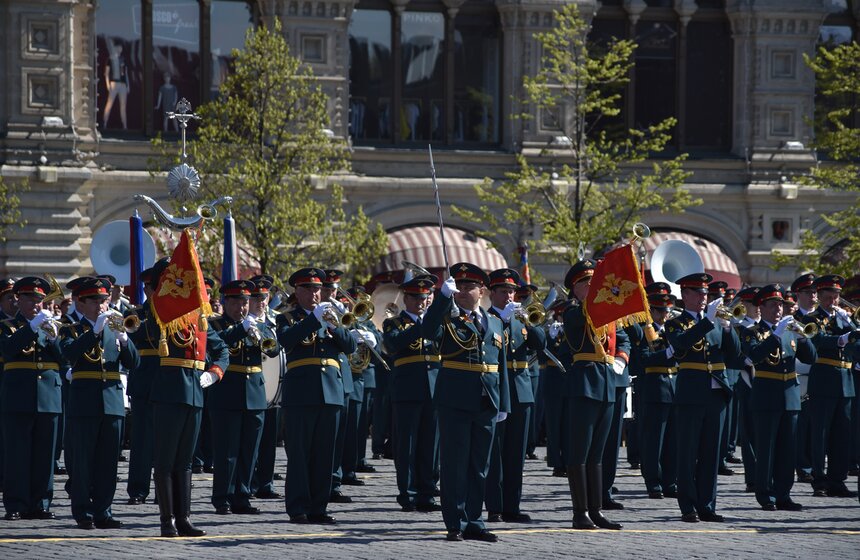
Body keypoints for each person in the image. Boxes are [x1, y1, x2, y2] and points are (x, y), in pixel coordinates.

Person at [421, 262, 510, 543]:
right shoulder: (447, 317)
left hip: (487, 400)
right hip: (455, 399)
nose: (461, 291)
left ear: (481, 291)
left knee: (479, 466)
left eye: (468, 286)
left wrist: (503, 403)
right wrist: (441, 298)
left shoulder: (494, 322)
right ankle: (455, 522)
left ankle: (475, 520)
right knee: (455, 465)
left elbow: (501, 365)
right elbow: (428, 331)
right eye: (458, 286)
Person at [144, 258, 229, 537]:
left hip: (195, 392)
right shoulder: (158, 310)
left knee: (186, 461)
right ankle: (167, 520)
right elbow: (152, 328)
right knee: (165, 459)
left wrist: (214, 373)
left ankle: (184, 519)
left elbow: (221, 349)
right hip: (169, 392)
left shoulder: (197, 316)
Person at [277, 268, 356, 524]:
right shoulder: (287, 318)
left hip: (331, 392)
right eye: (308, 288)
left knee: (325, 454)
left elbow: (350, 346)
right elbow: (286, 341)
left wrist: (333, 326)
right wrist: (313, 320)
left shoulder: (332, 316)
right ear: (297, 291)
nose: (314, 293)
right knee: (299, 454)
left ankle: (318, 507)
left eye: (317, 289)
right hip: (301, 393)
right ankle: (298, 507)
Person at [60, 276, 139, 529]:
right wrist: (94, 332)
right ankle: (83, 511)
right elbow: (68, 354)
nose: (101, 305)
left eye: (103, 300)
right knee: (83, 462)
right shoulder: (70, 329)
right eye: (94, 301)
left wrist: (124, 340)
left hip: (112, 402)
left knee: (108, 462)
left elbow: (134, 363)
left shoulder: (114, 327)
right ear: (81, 303)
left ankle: (104, 510)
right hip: (85, 402)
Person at [665, 272, 740, 523]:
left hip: (716, 392)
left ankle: (707, 505)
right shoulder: (675, 323)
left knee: (711, 452)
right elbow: (681, 345)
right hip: (691, 393)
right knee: (688, 452)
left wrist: (728, 329)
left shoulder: (716, 321)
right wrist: (707, 321)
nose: (703, 298)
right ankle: (688, 506)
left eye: (705, 293)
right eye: (698, 293)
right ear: (685, 295)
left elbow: (734, 355)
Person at [562, 259, 629, 531]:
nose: (592, 287)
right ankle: (580, 513)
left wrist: (621, 358)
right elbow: (583, 316)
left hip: (607, 383)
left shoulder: (607, 312)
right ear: (575, 288)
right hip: (585, 383)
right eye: (586, 283)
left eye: (594, 282)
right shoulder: (571, 311)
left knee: (597, 454)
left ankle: (596, 509)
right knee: (580, 451)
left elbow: (622, 337)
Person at [740, 284, 815, 511]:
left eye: (780, 305)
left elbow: (811, 358)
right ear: (761, 307)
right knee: (767, 449)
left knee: (788, 449)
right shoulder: (752, 332)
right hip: (766, 396)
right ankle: (766, 494)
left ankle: (784, 494)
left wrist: (803, 337)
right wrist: (775, 335)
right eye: (773, 305)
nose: (778, 310)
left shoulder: (790, 330)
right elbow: (755, 355)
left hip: (790, 396)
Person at [208, 279, 280, 515]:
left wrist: (259, 330)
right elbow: (215, 345)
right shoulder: (215, 324)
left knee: (250, 450)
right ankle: (222, 498)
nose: (242, 308)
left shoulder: (257, 323)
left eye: (245, 303)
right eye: (237, 303)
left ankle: (243, 496)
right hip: (227, 392)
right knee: (227, 451)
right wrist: (241, 329)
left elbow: (273, 349)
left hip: (255, 392)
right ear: (226, 302)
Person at [485, 268, 545, 523]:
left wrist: (528, 322)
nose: (509, 296)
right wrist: (504, 320)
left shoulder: (521, 320)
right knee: (496, 453)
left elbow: (540, 343)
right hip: (498, 390)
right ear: (491, 294)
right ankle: (495, 507)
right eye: (503, 292)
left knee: (516, 453)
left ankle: (512, 506)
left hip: (521, 391)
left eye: (511, 292)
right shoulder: (487, 319)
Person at [0, 277, 63, 521]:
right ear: (18, 300)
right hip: (19, 396)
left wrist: (54, 337)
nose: (36, 304)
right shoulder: (6, 326)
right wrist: (32, 327)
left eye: (39, 300)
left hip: (48, 396)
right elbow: (8, 350)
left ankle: (40, 503)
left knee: (45, 455)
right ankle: (16, 503)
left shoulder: (50, 326)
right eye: (30, 299)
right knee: (17, 453)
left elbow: (65, 358)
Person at [383, 274, 441, 512]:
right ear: (406, 298)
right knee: (406, 445)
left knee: (431, 444)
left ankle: (428, 492)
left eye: (424, 297)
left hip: (434, 388)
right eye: (415, 297)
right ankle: (407, 494)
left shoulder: (436, 322)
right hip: (408, 389)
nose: (420, 302)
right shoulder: (394, 323)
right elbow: (394, 344)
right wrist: (422, 325)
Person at [806, 274, 859, 498]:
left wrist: (851, 325)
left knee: (842, 433)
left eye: (836, 297)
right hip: (824, 379)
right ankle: (819, 480)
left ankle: (837, 480)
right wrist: (844, 338)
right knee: (821, 433)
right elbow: (817, 341)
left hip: (846, 380)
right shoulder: (812, 318)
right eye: (828, 297)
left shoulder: (844, 318)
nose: (833, 301)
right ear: (818, 296)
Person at [637, 290, 679, 499]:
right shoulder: (645, 331)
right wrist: (668, 353)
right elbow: (644, 359)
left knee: (673, 441)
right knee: (654, 441)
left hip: (675, 388)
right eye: (661, 311)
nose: (665, 315)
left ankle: (670, 481)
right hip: (655, 389)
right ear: (651, 311)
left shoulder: (674, 329)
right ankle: (653, 482)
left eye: (667, 310)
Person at [126, 265, 160, 505]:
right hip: (144, 379)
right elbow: (132, 337)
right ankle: (138, 490)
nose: (154, 291)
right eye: (152, 287)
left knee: (168, 441)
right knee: (141, 440)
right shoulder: (136, 313)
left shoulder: (176, 312)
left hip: (169, 380)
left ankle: (165, 490)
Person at [248, 275, 283, 500]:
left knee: (269, 439)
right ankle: (250, 483)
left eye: (264, 297)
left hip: (273, 387)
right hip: (252, 386)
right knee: (252, 440)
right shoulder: (244, 321)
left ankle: (266, 483)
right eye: (256, 297)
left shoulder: (276, 321)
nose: (261, 302)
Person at [791, 273, 816, 484]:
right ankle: (803, 466)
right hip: (802, 375)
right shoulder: (793, 320)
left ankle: (816, 465)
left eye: (815, 292)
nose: (813, 296)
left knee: (818, 426)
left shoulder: (824, 318)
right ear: (798, 295)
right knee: (802, 425)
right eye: (808, 292)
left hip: (824, 376)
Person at [102, 41, 129, 129]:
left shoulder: (123, 59)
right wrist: (107, 84)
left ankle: (125, 126)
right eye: (118, 47)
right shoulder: (110, 59)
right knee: (109, 103)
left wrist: (128, 85)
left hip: (122, 84)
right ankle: (104, 123)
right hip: (114, 83)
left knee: (123, 106)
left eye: (121, 48)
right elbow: (106, 73)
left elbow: (125, 73)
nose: (120, 49)